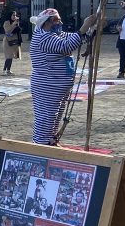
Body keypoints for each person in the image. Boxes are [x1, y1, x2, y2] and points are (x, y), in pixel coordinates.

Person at [28, 8, 97, 145]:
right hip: (47, 85)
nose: (60, 22)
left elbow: (72, 37)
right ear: (47, 22)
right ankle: (42, 143)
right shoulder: (43, 37)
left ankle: (50, 139)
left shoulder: (55, 34)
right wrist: (84, 26)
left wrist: (91, 29)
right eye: (56, 20)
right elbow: (66, 46)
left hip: (57, 86)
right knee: (46, 117)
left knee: (55, 116)